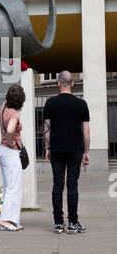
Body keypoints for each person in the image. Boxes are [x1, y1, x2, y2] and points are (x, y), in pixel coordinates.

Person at [43, 71, 90, 234]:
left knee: (57, 184)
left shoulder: (50, 103)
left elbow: (46, 129)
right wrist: (87, 151)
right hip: (75, 150)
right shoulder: (81, 104)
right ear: (73, 83)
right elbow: (86, 131)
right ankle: (73, 222)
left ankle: (58, 223)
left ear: (58, 83)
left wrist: (47, 148)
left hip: (57, 149)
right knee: (72, 185)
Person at [0, 83, 26, 231]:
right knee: (13, 188)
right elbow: (10, 130)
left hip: (2, 151)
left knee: (10, 187)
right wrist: (12, 142)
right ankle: (4, 220)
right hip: (10, 152)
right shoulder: (14, 114)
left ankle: (11, 220)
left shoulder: (3, 108)